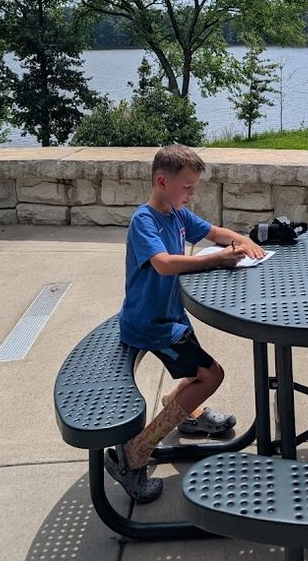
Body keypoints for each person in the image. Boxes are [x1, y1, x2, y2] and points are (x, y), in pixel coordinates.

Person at [105, 143, 265, 503]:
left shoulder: (177, 213)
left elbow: (212, 232)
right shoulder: (144, 220)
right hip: (151, 324)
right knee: (212, 374)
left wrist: (243, 241)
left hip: (171, 316)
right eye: (187, 187)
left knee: (199, 370)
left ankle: (185, 412)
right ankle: (134, 452)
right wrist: (217, 261)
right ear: (162, 181)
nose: (191, 195)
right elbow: (163, 263)